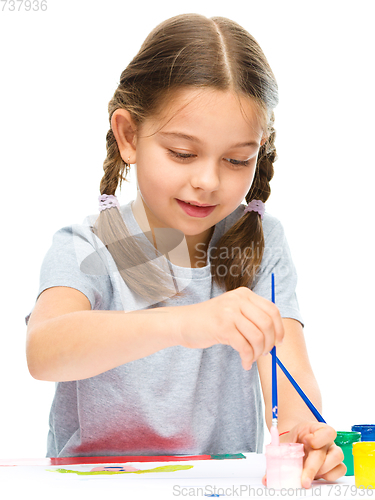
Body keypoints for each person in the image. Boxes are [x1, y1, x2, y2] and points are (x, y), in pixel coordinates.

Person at [25, 13, 345, 488]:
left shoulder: (260, 242)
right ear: (129, 135)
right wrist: (183, 324)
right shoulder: (90, 245)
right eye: (182, 153)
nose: (208, 181)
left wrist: (303, 437)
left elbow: (289, 376)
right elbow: (44, 351)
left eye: (238, 160)